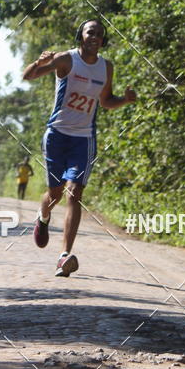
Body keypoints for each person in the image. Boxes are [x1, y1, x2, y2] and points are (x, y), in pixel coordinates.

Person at [22, 19, 136, 277]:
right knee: (56, 193)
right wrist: (39, 63)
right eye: (90, 32)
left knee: (75, 193)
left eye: (99, 34)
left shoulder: (106, 67)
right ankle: (43, 215)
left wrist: (125, 101)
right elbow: (28, 76)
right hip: (57, 135)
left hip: (84, 138)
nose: (94, 36)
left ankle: (64, 257)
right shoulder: (66, 60)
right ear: (81, 36)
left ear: (103, 40)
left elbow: (105, 101)